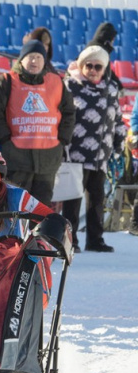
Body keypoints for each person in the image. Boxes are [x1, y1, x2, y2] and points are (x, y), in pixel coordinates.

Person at [0, 39, 76, 205]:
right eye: (31, 56)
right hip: (16, 159)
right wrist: (5, 140)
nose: (35, 61)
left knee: (41, 209)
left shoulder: (56, 82)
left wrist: (62, 139)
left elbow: (69, 112)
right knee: (14, 206)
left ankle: (38, 233)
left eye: (40, 57)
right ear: (22, 59)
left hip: (48, 159)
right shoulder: (5, 81)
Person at [61, 46, 125, 253]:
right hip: (76, 153)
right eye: (89, 65)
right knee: (73, 200)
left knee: (97, 199)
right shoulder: (70, 86)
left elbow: (117, 119)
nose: (93, 70)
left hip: (100, 155)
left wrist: (119, 142)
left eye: (98, 66)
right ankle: (70, 241)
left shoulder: (111, 89)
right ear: (82, 65)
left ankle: (95, 240)